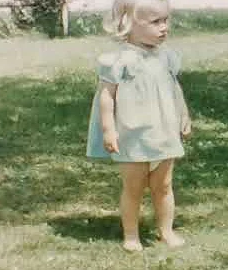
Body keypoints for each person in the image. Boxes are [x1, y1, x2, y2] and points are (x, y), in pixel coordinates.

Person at [86, 0, 192, 252]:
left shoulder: (166, 57)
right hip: (132, 133)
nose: (164, 27)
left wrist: (184, 114)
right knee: (134, 187)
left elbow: (174, 88)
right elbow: (106, 96)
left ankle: (166, 230)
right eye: (155, 22)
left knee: (164, 185)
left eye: (165, 20)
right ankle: (131, 235)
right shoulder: (120, 60)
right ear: (128, 24)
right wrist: (109, 129)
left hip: (164, 131)